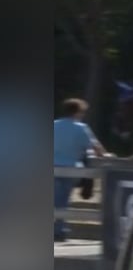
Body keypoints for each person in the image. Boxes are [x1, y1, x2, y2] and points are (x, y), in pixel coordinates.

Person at [54, 98, 111, 241]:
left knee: (54, 197)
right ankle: (59, 230)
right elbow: (96, 148)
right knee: (63, 198)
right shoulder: (81, 128)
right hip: (71, 167)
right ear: (78, 112)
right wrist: (107, 155)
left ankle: (57, 228)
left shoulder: (54, 125)